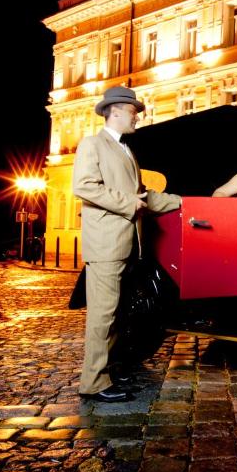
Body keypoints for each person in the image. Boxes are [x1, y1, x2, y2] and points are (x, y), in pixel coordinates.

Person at [72, 85, 181, 402]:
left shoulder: (126, 151)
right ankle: (93, 383)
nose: (137, 117)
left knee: (118, 314)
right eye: (134, 111)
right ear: (116, 110)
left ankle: (108, 374)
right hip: (105, 245)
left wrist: (183, 201)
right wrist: (125, 203)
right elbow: (84, 187)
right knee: (103, 315)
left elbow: (145, 197)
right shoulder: (92, 145)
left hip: (126, 246)